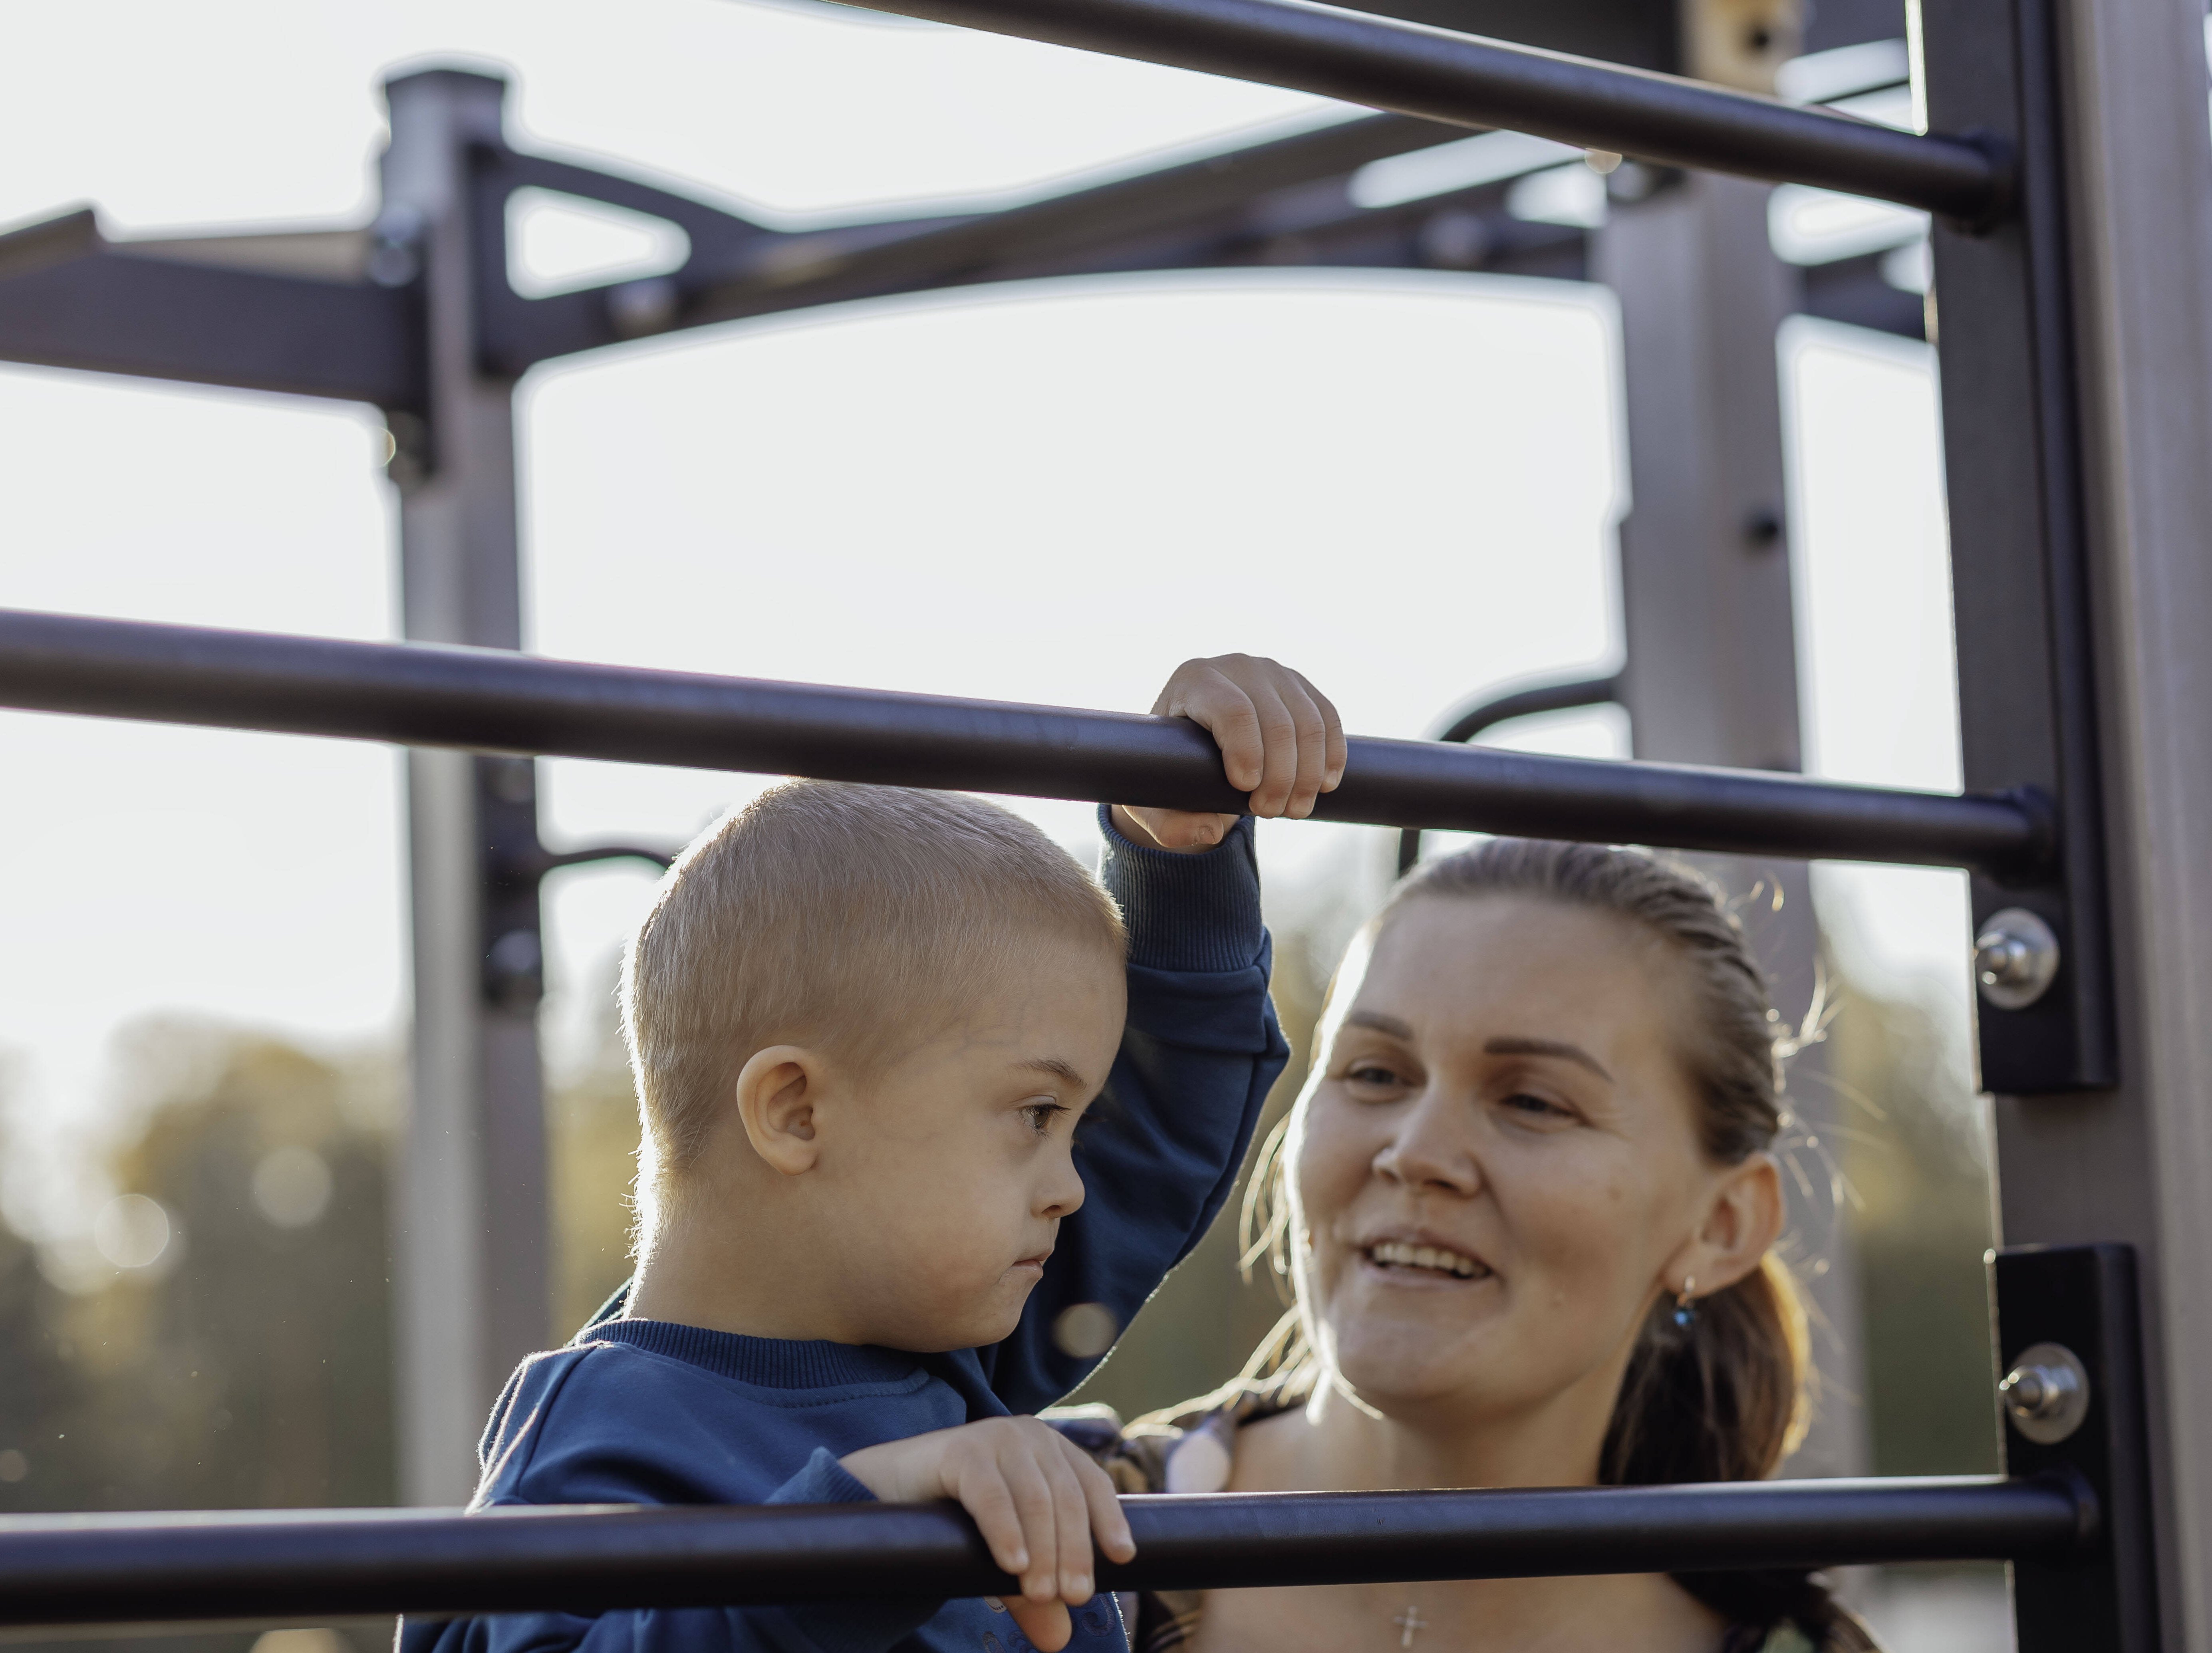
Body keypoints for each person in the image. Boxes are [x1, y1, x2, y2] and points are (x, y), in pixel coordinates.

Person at [398, 655, 1346, 1653]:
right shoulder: (607, 1434)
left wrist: (1179, 853)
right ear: (798, 1114)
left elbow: (1155, 1141)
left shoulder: (939, 1340)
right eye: (1035, 1116)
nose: (1072, 1187)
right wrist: (856, 1529)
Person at [1087, 838, 1878, 1653]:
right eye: (1374, 1074)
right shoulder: (1033, 1550)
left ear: (1722, 1227)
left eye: (1533, 1101)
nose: (1416, 1152)